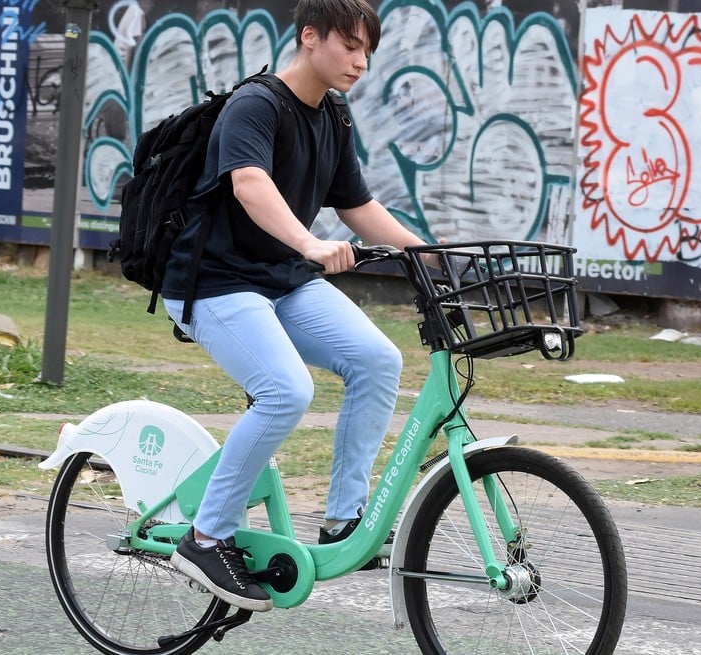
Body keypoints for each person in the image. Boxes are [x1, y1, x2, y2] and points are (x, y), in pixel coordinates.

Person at [160, 0, 430, 611]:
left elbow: (357, 205)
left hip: (279, 280)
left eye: (368, 51)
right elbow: (249, 183)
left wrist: (429, 255)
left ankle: (345, 522)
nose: (361, 62)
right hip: (213, 282)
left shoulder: (333, 114)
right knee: (287, 391)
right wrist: (310, 242)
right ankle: (206, 537)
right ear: (310, 36)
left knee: (378, 361)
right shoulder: (256, 104)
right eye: (351, 46)